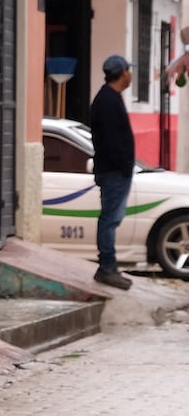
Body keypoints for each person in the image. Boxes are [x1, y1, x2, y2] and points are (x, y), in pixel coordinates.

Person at [90, 54, 135, 291]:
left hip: (116, 169)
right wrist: (123, 164)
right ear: (123, 73)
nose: (131, 74)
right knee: (109, 219)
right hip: (114, 171)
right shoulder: (107, 101)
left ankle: (108, 267)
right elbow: (111, 140)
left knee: (111, 219)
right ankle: (107, 267)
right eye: (129, 70)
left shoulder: (111, 98)